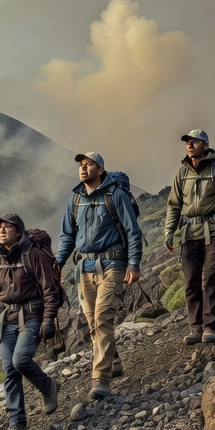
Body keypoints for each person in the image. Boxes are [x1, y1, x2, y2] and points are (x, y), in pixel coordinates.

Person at [55, 153, 143, 402]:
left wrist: (134, 264)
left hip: (113, 264)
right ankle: (112, 361)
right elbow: (67, 236)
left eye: (89, 164)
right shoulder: (75, 199)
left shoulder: (115, 195)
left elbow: (132, 231)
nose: (83, 168)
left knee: (103, 319)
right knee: (93, 322)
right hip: (84, 267)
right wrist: (57, 264)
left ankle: (100, 380)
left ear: (101, 169)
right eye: (81, 165)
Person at [0, 214, 62, 430]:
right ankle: (17, 423)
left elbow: (49, 290)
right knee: (10, 372)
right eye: (0, 228)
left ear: (19, 231)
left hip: (32, 315)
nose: (3, 231)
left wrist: (48, 320)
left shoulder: (32, 254)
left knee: (20, 361)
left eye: (8, 227)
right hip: (6, 321)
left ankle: (48, 386)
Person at [163, 130, 215, 344]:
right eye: (187, 142)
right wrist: (169, 232)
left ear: (205, 145)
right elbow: (173, 205)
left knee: (212, 277)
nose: (189, 145)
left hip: (214, 231)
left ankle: (210, 327)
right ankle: (195, 327)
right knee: (191, 282)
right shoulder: (182, 173)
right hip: (189, 234)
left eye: (194, 142)